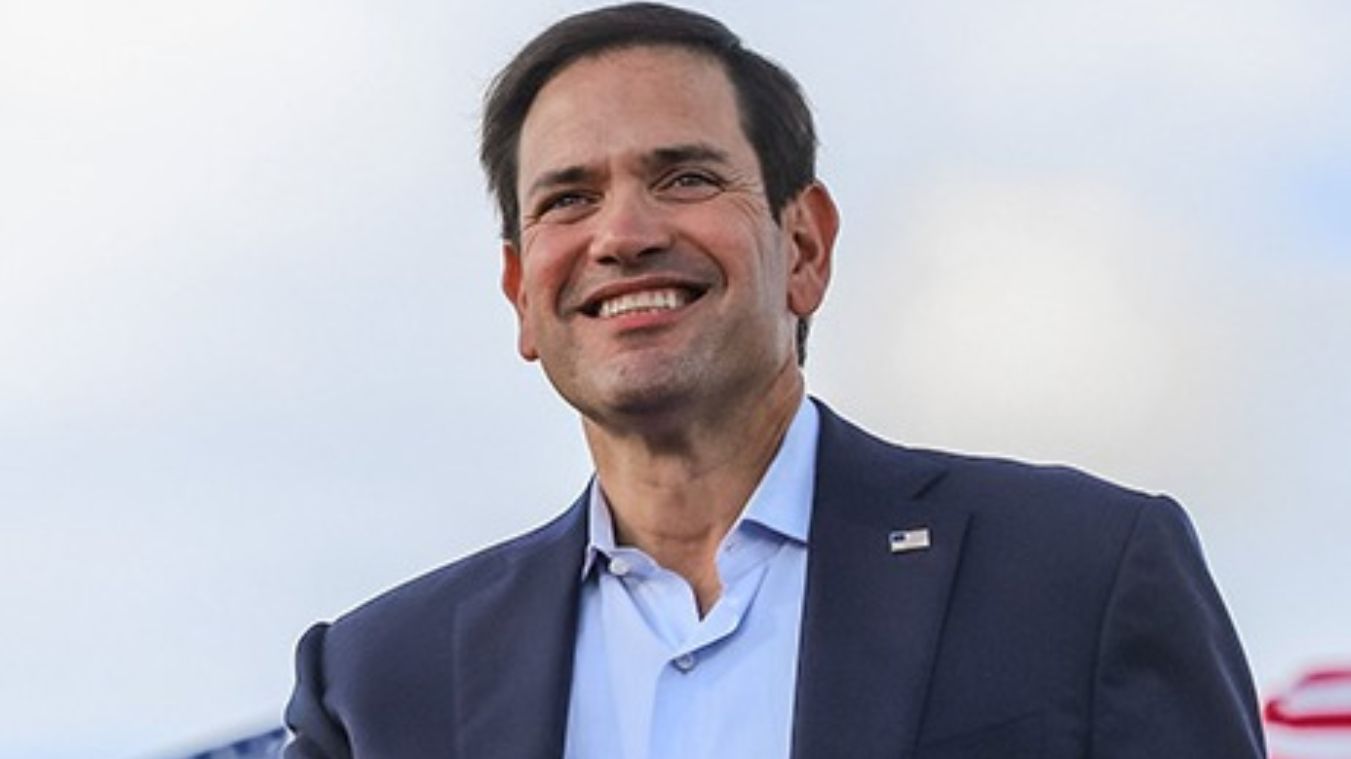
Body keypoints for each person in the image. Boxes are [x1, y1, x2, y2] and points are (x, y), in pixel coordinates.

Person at [283, 4, 1266, 757]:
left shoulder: (1079, 572)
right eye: (569, 198)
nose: (622, 234)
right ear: (520, 294)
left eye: (684, 178)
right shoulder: (377, 685)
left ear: (803, 246)